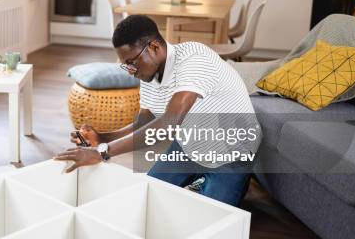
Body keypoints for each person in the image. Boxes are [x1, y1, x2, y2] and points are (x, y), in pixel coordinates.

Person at [54, 15, 260, 207]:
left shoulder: (194, 59)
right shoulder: (148, 72)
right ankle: (200, 182)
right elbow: (148, 117)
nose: (131, 71)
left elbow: (168, 124)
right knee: (147, 197)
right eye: (126, 66)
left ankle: (234, 180)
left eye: (131, 63)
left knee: (211, 216)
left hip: (232, 153)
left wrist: (102, 153)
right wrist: (103, 138)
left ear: (153, 47)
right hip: (189, 147)